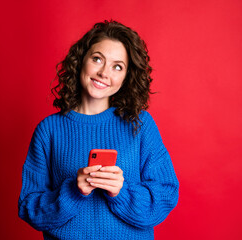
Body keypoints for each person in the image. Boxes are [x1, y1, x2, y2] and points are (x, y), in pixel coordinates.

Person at [18, 20, 179, 240]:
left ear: (125, 77)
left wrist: (120, 192)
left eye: (117, 66)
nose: (104, 72)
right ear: (81, 61)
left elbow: (165, 196)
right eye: (97, 59)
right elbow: (29, 209)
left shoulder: (140, 124)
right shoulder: (49, 130)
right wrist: (74, 191)